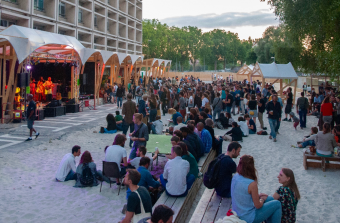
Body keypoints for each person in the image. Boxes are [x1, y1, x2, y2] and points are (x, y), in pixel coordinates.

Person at [231, 155, 282, 223]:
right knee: (277, 204)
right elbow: (257, 205)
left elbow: (243, 194)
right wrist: (262, 199)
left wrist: (258, 196)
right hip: (248, 218)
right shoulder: (251, 184)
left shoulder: (235, 176)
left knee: (271, 199)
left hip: (238, 211)